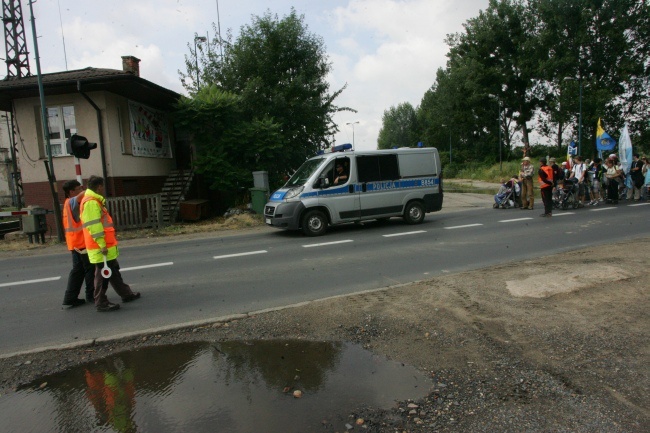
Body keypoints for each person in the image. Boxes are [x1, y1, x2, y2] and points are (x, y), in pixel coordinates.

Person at [80, 176, 141, 312]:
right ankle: (101, 302)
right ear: (99, 186)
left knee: (112, 271)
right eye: (103, 186)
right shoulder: (91, 203)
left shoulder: (94, 201)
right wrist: (102, 245)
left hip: (105, 246)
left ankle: (126, 294)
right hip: (100, 247)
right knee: (103, 275)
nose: (103, 189)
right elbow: (94, 227)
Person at [61, 180, 96, 308]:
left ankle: (70, 298)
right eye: (78, 188)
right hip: (81, 243)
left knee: (78, 270)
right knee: (89, 269)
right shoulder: (72, 202)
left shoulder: (67, 204)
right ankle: (91, 295)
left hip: (74, 243)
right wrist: (92, 187)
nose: (81, 190)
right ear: (71, 192)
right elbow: (84, 194)